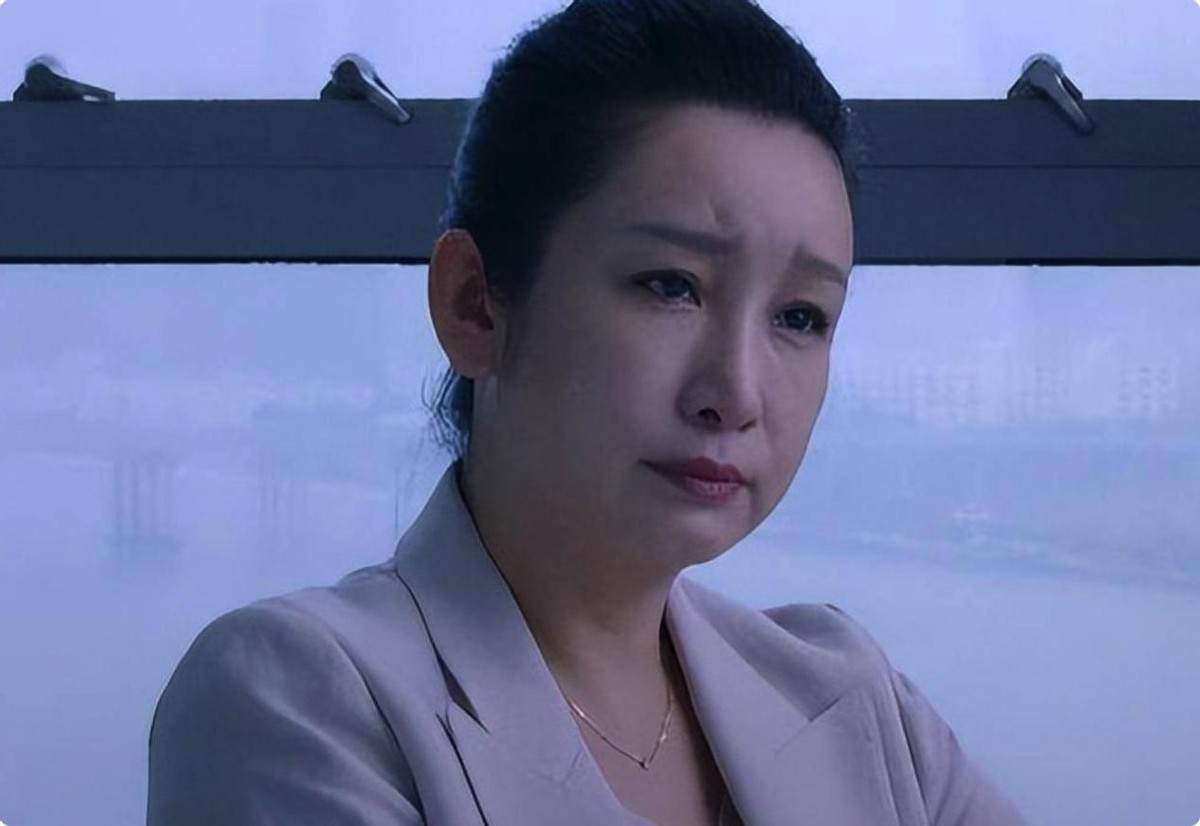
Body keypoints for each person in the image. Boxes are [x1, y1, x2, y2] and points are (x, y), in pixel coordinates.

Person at [146, 1, 1029, 824]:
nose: (736, 394)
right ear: (474, 305)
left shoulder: (854, 698)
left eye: (800, 317)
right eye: (670, 286)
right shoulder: (299, 698)